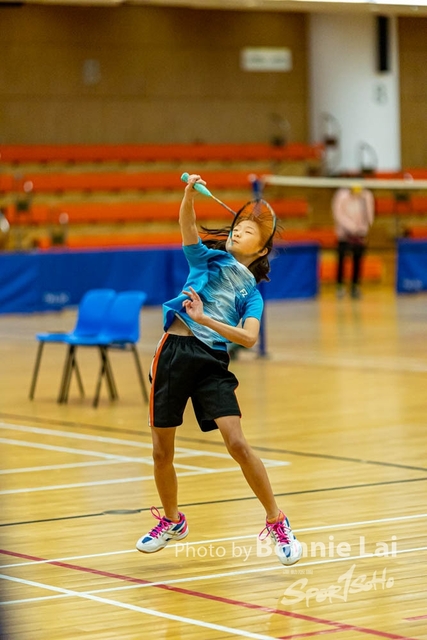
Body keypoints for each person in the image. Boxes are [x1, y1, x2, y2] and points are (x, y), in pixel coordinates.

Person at [136, 173, 302, 566]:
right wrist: (189, 194)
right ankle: (172, 520)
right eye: (237, 227)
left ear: (261, 250)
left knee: (237, 444)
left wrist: (205, 319)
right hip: (173, 353)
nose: (237, 231)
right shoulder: (206, 259)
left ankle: (276, 520)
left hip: (212, 362)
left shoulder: (252, 296)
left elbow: (248, 338)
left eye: (247, 231)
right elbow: (187, 225)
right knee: (161, 451)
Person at [332, 183, 375, 299]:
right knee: (342, 259)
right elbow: (338, 213)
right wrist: (351, 227)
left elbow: (369, 214)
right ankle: (340, 286)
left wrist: (362, 229)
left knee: (358, 260)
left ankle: (355, 286)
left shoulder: (366, 196)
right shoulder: (341, 195)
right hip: (344, 234)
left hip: (360, 234)